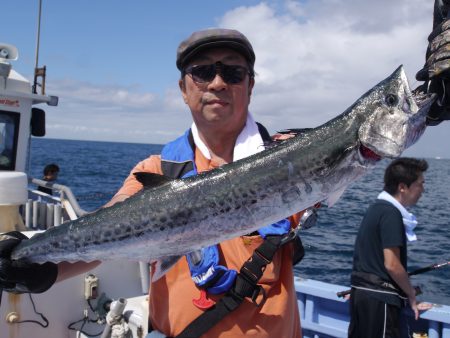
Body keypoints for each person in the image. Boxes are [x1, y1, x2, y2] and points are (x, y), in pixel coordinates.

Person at [1, 2, 450, 336]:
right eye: (203, 72)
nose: (218, 82)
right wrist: (36, 263)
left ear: (250, 86)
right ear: (183, 88)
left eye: (233, 73)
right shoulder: (159, 168)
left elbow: (368, 137)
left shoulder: (290, 152)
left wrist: (430, 104)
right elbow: (103, 241)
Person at [348, 158, 429, 338]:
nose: (423, 190)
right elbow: (391, 264)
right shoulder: (391, 214)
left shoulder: (376, 208)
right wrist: (411, 294)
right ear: (402, 187)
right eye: (420, 184)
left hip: (361, 295)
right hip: (380, 301)